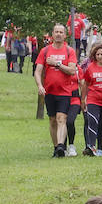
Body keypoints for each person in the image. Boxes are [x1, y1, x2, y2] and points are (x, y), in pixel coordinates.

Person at [35, 24, 79, 158]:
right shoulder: (45, 51)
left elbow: (72, 70)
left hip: (65, 91)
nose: (59, 34)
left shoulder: (69, 51)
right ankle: (56, 147)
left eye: (61, 32)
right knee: (52, 120)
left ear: (65, 35)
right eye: (56, 32)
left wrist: (57, 64)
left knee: (62, 118)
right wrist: (39, 86)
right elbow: (38, 71)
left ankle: (61, 146)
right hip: (49, 91)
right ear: (52, 35)